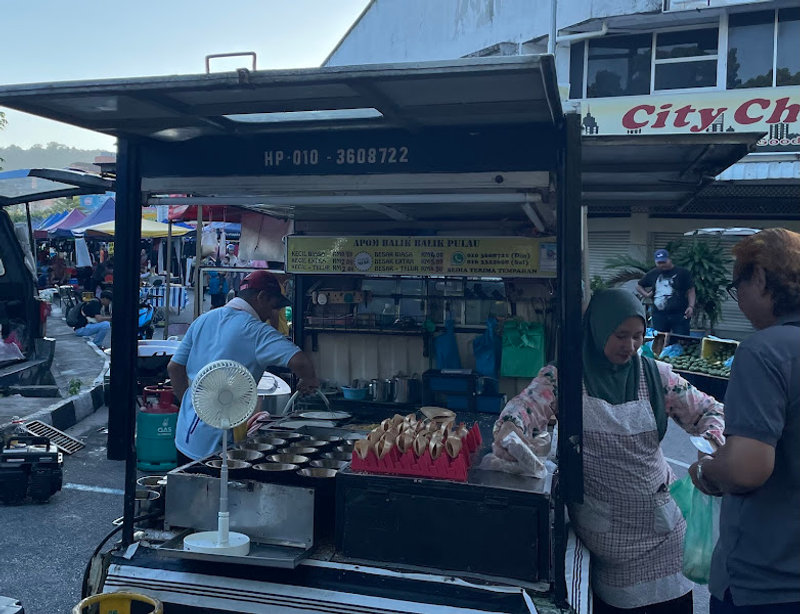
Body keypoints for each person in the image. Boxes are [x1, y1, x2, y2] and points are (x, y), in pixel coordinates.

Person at [493, 289, 725, 614]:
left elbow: (710, 411)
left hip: (664, 536)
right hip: (607, 543)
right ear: (598, 329)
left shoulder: (656, 376)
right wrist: (511, 430)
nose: (630, 345)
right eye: (620, 335)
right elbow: (526, 406)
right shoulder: (565, 377)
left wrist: (711, 444)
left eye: (638, 336)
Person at [688, 228, 800, 614]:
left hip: (767, 582)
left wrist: (707, 469)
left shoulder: (765, 351)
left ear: (761, 278)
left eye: (738, 286)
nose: (738, 299)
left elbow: (746, 469)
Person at [168, 270, 319, 462]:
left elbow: (174, 368)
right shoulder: (257, 331)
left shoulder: (203, 319)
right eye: (273, 307)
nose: (272, 314)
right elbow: (300, 361)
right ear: (261, 297)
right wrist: (309, 379)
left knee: (184, 479)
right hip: (218, 443)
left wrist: (192, 403)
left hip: (185, 434)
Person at [636, 249, 695, 335]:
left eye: (664, 262)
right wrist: (646, 294)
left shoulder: (682, 273)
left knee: (681, 338)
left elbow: (691, 290)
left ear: (669, 259)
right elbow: (639, 286)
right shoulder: (653, 273)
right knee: (659, 338)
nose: (662, 265)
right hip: (659, 314)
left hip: (679, 313)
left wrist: (691, 306)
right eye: (659, 263)